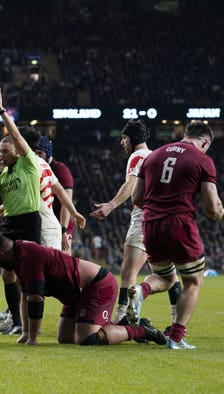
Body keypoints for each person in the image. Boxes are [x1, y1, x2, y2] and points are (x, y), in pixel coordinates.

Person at [129, 121, 224, 350]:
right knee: (192, 281)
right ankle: (176, 338)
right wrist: (219, 213)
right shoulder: (202, 160)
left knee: (166, 278)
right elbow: (211, 206)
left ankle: (141, 290)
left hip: (150, 223)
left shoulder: (154, 156)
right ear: (204, 141)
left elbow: (136, 198)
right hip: (179, 223)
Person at [0, 234, 167, 347]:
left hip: (96, 285)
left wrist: (33, 338)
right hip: (75, 294)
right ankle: (126, 323)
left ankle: (140, 330)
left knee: (88, 339)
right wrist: (25, 333)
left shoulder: (27, 257)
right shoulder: (18, 257)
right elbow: (25, 296)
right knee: (65, 337)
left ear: (1, 254)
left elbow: (36, 298)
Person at [90, 120, 182, 325]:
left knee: (128, 271)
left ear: (132, 138)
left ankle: (122, 317)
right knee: (170, 275)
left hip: (144, 218)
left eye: (124, 138)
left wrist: (111, 205)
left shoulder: (138, 155)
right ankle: (177, 324)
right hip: (166, 219)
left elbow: (130, 184)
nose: (122, 142)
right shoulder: (158, 156)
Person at [0, 88, 41, 335]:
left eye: (5, 151)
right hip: (10, 223)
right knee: (7, 274)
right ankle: (17, 322)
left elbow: (15, 134)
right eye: (0, 152)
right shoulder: (5, 173)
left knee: (28, 278)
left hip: (28, 222)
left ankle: (29, 327)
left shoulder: (28, 162)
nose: (2, 155)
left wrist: (2, 111)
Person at [35, 136, 76, 254]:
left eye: (40, 153)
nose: (37, 156)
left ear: (48, 153)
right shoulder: (35, 167)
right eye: (35, 153)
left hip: (61, 221)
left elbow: (66, 202)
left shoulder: (61, 171)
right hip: (42, 221)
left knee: (63, 262)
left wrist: (63, 230)